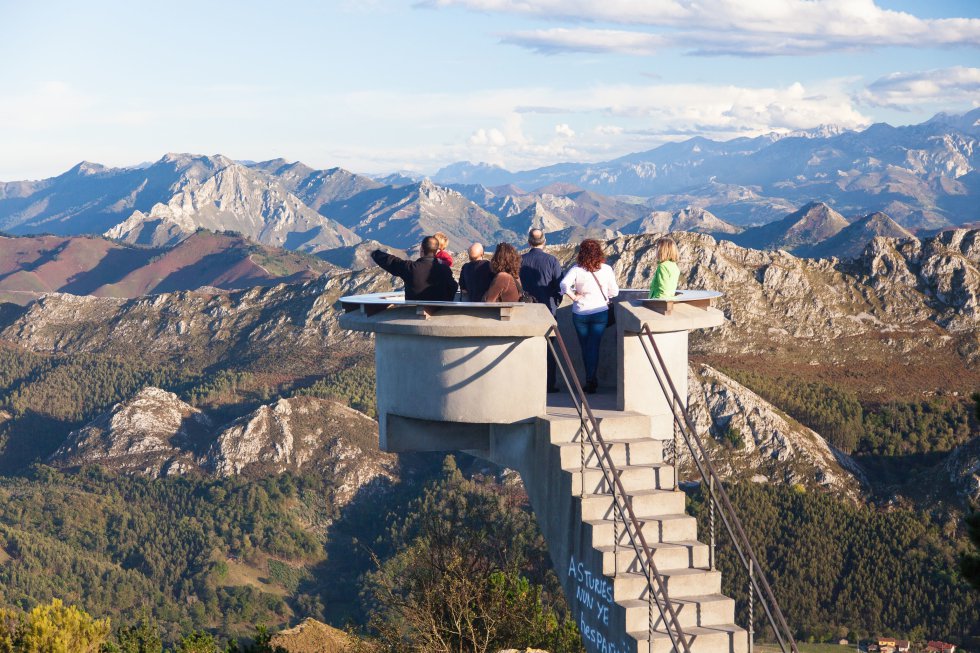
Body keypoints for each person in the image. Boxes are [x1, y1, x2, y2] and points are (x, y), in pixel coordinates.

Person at [559, 239, 619, 394]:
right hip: (600, 312)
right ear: (599, 252)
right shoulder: (606, 269)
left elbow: (564, 285)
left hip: (580, 313)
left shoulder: (577, 269)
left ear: (581, 253)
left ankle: (590, 380)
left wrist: (574, 297)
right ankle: (591, 380)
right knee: (594, 346)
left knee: (585, 346)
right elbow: (615, 293)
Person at [520, 228, 563, 392]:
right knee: (549, 348)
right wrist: (554, 303)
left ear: (529, 242)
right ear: (544, 241)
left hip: (525, 310)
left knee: (526, 346)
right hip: (547, 310)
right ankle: (549, 384)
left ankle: (527, 383)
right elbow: (560, 287)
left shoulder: (520, 260)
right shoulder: (552, 261)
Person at [371, 236, 458, 301]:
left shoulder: (411, 268)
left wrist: (375, 253)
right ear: (436, 252)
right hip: (439, 314)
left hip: (413, 311)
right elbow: (453, 286)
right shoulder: (445, 270)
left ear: (422, 250)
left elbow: (392, 262)